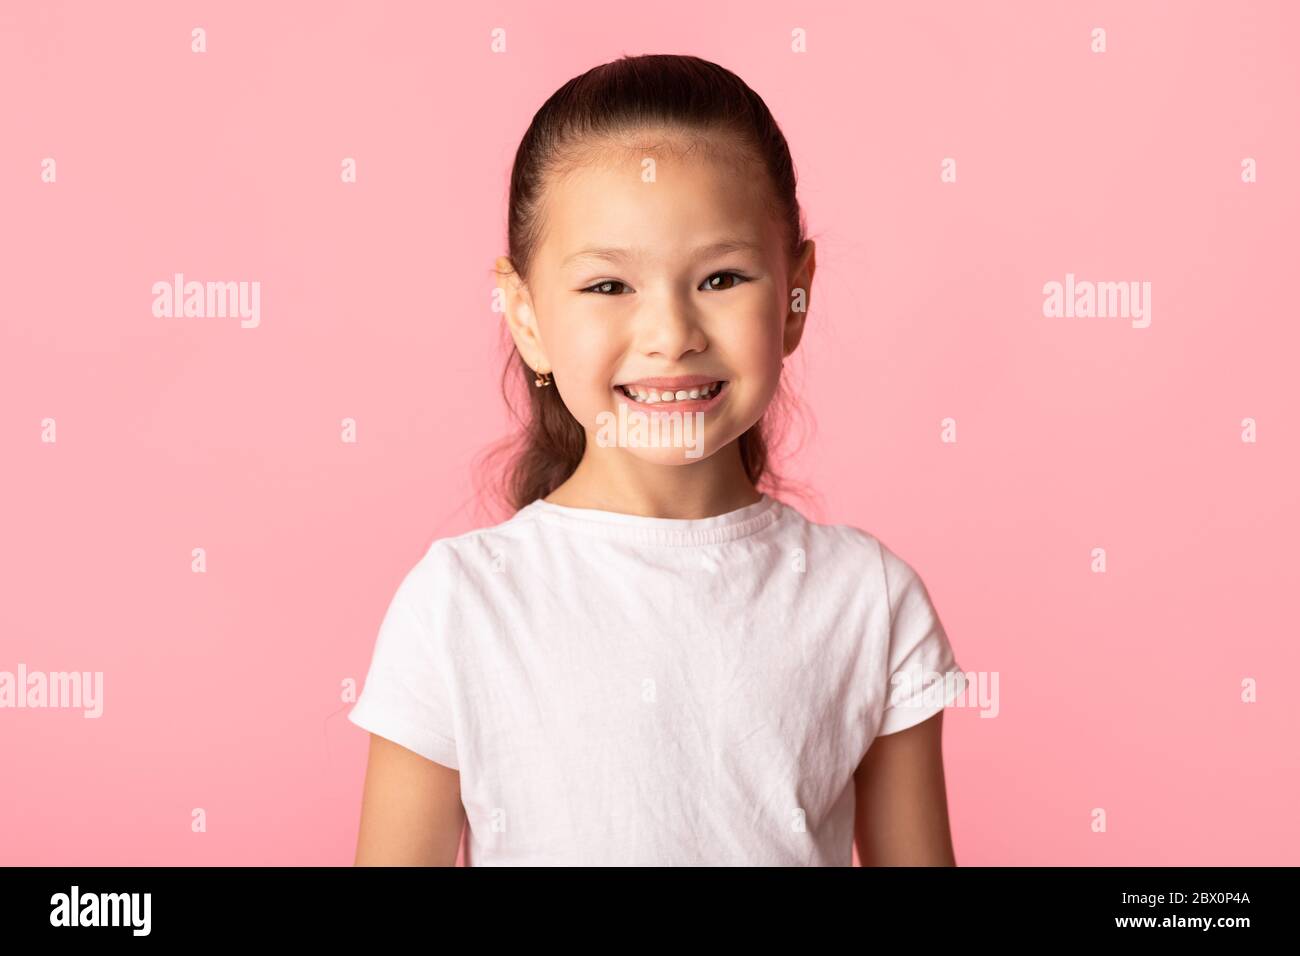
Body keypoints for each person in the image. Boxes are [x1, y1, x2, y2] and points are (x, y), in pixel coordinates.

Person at [349, 53, 967, 866]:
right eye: (609, 286)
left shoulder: (869, 602)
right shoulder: (458, 606)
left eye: (721, 277)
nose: (672, 334)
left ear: (795, 296)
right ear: (526, 317)